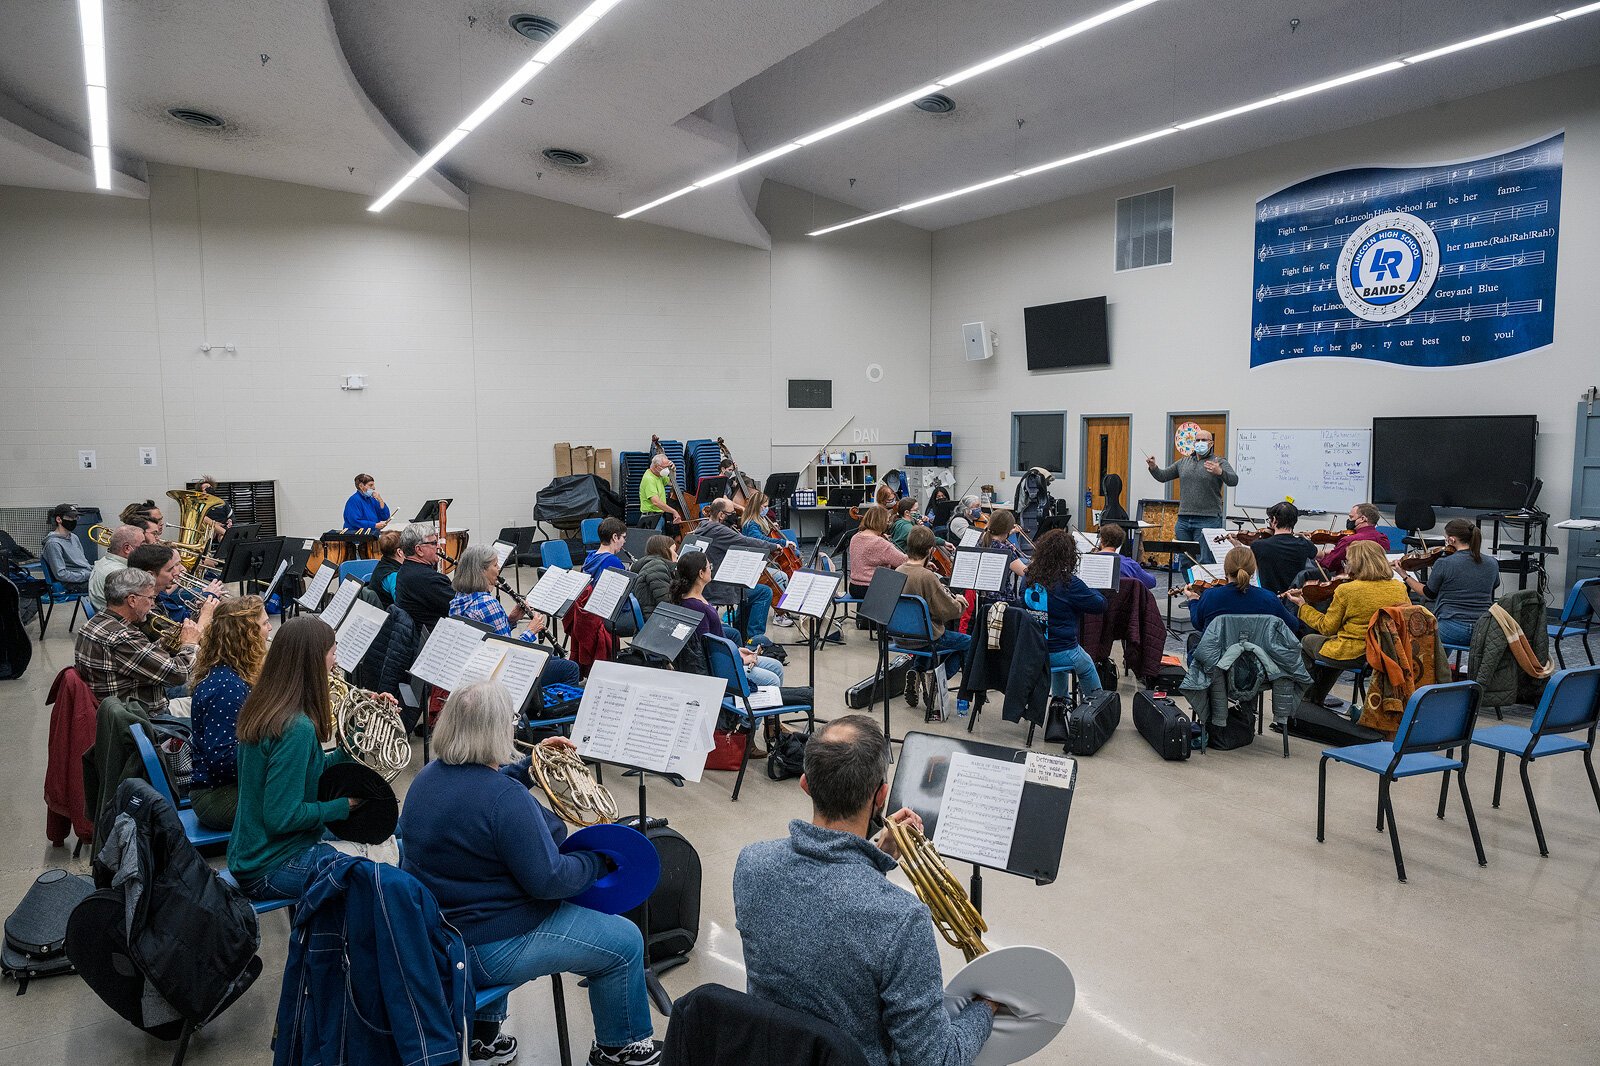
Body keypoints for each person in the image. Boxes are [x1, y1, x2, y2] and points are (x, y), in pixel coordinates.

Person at [400, 683, 660, 1066]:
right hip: (489, 947)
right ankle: (618, 1049)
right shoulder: (505, 800)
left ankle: (484, 1040)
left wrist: (530, 769)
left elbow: (481, 793)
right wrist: (597, 861)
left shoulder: (426, 779)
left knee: (492, 887)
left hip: (440, 937)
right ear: (495, 731)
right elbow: (549, 881)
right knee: (624, 941)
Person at [734, 715, 1000, 1066]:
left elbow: (828, 904)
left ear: (804, 784)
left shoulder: (752, 864)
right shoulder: (902, 918)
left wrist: (878, 853)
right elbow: (935, 1060)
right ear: (881, 796)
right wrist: (985, 1010)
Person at [228, 616, 355, 902]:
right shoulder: (295, 727)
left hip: (258, 852)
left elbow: (314, 772)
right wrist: (342, 806)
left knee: (393, 829)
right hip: (270, 865)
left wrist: (354, 740)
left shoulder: (269, 705)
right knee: (387, 860)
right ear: (313, 661)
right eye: (333, 652)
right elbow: (282, 817)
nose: (336, 661)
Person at [1285, 540, 1409, 707]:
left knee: (1308, 642)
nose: (1345, 565)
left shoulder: (1347, 590)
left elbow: (1326, 627)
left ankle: (1307, 701)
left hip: (1356, 653)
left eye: (1347, 561)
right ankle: (1316, 699)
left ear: (1357, 563)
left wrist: (1302, 605)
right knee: (1332, 646)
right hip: (1385, 652)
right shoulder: (1398, 587)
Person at [188, 595, 269, 830]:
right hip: (216, 797)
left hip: (226, 787)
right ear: (248, 634)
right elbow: (223, 760)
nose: (270, 627)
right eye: (264, 623)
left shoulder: (235, 673)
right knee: (297, 800)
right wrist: (275, 753)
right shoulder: (227, 686)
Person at [448, 544, 581, 687]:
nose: (499, 568)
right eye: (495, 565)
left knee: (551, 658)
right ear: (482, 571)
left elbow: (492, 637)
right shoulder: (487, 603)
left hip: (478, 666)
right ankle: (544, 706)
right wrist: (531, 631)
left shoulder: (459, 599)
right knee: (570, 668)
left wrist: (510, 620)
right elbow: (509, 653)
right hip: (501, 675)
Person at [74, 568, 203, 709]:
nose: (153, 604)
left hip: (128, 703)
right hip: (145, 717)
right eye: (150, 598)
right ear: (132, 600)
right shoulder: (122, 637)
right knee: (210, 690)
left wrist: (168, 640)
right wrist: (190, 643)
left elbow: (141, 656)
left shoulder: (97, 622)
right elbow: (179, 674)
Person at [670, 552, 785, 689]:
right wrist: (740, 659)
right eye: (709, 566)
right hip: (722, 668)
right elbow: (708, 651)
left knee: (777, 667)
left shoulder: (694, 598)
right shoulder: (695, 607)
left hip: (728, 657)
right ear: (701, 573)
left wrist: (737, 650)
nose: (711, 569)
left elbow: (717, 637)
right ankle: (757, 706)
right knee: (773, 680)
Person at [1021, 529, 1106, 699]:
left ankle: (1059, 704)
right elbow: (1100, 605)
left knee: (1060, 667)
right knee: (1087, 664)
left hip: (1033, 649)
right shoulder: (1069, 583)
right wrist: (1089, 587)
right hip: (1061, 650)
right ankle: (1097, 709)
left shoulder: (1028, 577)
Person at [1393, 518, 1500, 647]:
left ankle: (1439, 666)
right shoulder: (1492, 563)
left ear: (1452, 540)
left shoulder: (1444, 563)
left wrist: (1404, 575)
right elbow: (1494, 585)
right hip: (1483, 629)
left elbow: (1428, 593)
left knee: (1410, 633)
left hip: (1451, 628)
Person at [692, 498, 776, 646]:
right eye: (732, 513)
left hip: (707, 584)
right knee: (763, 592)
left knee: (750, 591)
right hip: (718, 587)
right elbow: (746, 541)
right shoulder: (719, 530)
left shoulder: (703, 526)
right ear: (722, 515)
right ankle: (755, 640)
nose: (735, 516)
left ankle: (740, 631)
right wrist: (774, 546)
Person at [1145, 431, 1237, 565]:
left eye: (1204, 440)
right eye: (1197, 440)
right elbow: (1163, 476)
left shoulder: (1219, 462)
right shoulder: (1183, 462)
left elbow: (1234, 480)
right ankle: (1190, 585)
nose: (1200, 443)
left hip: (1208, 519)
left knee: (1205, 560)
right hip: (1183, 519)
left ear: (1211, 444)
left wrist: (1220, 472)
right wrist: (1153, 467)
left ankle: (1204, 586)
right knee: (1185, 559)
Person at [895, 528, 970, 688]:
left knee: (933, 636)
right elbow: (948, 611)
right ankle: (936, 681)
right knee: (968, 643)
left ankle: (916, 672)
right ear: (930, 550)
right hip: (925, 637)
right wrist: (960, 602)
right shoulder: (927, 577)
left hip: (901, 636)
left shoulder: (898, 570)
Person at [1182, 547, 1299, 635]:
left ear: (1225, 570)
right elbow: (1293, 626)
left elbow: (1198, 624)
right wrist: (1294, 606)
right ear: (1253, 571)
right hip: (1259, 661)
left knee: (1194, 639)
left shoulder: (1210, 595)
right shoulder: (1268, 598)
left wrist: (1193, 600)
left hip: (1218, 660)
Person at [1238, 501, 1316, 594]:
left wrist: (1237, 545)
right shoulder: (1304, 545)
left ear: (1274, 520)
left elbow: (1244, 562)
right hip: (1295, 599)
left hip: (1268, 599)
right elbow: (1320, 554)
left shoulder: (1259, 546)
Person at [395, 526, 453, 630]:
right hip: (433, 639)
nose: (439, 547)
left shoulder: (404, 570)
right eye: (434, 543)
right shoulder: (429, 579)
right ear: (419, 550)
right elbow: (459, 609)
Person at [1311, 502, 1390, 578]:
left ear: (1362, 519)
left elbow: (1328, 565)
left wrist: (1322, 555)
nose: (1349, 520)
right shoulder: (1383, 538)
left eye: (1351, 517)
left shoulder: (1349, 540)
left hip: (1350, 580)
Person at [847, 505, 907, 599]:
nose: (887, 524)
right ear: (881, 522)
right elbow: (902, 561)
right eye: (887, 521)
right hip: (872, 588)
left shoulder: (855, 537)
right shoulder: (879, 542)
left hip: (854, 587)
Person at [976, 509, 1029, 604]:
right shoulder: (1005, 550)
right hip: (1002, 600)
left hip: (981, 597)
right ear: (1008, 529)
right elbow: (1025, 573)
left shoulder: (981, 541)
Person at [88, 524, 144, 611]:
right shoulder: (120, 573)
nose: (146, 549)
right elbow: (138, 607)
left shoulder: (104, 560)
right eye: (142, 545)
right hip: (120, 620)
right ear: (127, 548)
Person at [42, 504, 92, 591]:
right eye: (70, 517)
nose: (74, 520)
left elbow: (83, 564)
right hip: (72, 584)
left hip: (85, 577)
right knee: (114, 587)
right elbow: (61, 574)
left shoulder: (74, 537)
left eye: (76, 517)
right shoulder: (53, 544)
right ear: (59, 519)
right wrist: (87, 575)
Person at [1093, 523, 1156, 590]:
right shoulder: (1130, 564)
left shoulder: (1087, 562)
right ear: (1120, 543)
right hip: (1122, 600)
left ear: (1101, 540)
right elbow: (1151, 582)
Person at [629, 536, 676, 620]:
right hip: (653, 620)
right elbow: (667, 603)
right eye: (674, 550)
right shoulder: (657, 567)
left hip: (649, 616)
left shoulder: (650, 564)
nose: (677, 555)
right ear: (665, 550)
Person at [639, 454, 680, 528]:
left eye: (668, 467)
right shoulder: (649, 479)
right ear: (656, 466)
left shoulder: (658, 475)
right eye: (665, 467)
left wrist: (673, 471)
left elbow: (672, 483)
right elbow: (656, 502)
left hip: (659, 515)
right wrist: (674, 511)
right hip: (652, 517)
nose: (667, 470)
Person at [368, 528, 404, 608]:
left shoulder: (382, 565)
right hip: (388, 617)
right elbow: (401, 605)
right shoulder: (393, 574)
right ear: (399, 552)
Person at [193, 476, 233, 540]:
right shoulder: (200, 505)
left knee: (222, 538)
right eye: (206, 488)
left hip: (223, 528)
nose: (209, 488)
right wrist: (215, 524)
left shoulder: (222, 502)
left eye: (210, 487)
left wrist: (230, 521)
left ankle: (225, 535)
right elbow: (200, 520)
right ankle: (228, 535)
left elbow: (232, 517)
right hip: (208, 530)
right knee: (204, 519)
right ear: (201, 492)